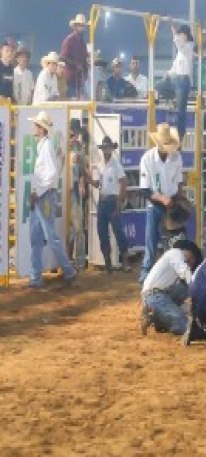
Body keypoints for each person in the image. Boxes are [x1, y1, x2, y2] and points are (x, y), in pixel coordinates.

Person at [27, 111, 76, 288]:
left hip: (44, 196)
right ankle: (36, 277)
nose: (34, 127)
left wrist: (37, 192)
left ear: (41, 128)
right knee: (38, 237)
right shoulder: (44, 146)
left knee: (47, 236)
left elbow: (51, 174)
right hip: (42, 195)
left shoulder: (46, 147)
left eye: (36, 125)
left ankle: (67, 271)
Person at [138, 123, 184, 283]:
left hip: (171, 205)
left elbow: (178, 184)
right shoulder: (147, 159)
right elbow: (145, 190)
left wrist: (179, 201)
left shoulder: (176, 158)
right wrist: (162, 198)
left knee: (171, 243)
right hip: (155, 205)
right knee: (151, 243)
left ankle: (169, 278)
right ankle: (145, 277)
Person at [140, 239, 202, 336]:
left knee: (184, 287)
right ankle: (157, 317)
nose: (192, 264)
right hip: (155, 296)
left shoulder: (172, 255)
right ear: (190, 253)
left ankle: (156, 317)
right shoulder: (176, 254)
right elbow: (186, 273)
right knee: (184, 323)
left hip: (159, 294)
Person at [89, 136, 130, 273]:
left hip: (112, 200)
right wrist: (90, 180)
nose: (106, 151)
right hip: (103, 200)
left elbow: (124, 183)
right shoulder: (101, 165)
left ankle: (123, 260)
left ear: (111, 149)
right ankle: (108, 263)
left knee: (118, 231)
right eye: (105, 148)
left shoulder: (116, 165)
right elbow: (99, 184)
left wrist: (119, 203)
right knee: (102, 232)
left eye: (108, 148)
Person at [163, 24, 194, 142]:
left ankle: (180, 136)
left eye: (181, 35)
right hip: (176, 80)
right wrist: (168, 73)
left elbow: (178, 42)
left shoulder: (188, 47)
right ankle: (171, 100)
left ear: (185, 36)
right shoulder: (180, 53)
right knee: (158, 87)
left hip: (183, 82)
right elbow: (174, 68)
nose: (178, 37)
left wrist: (172, 27)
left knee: (181, 112)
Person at [68, 121, 87, 270]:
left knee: (78, 228)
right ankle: (65, 260)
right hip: (63, 191)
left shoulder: (79, 150)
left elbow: (82, 172)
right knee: (67, 229)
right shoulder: (62, 148)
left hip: (74, 191)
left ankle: (79, 260)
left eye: (75, 134)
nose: (74, 137)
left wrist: (82, 185)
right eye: (72, 134)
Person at [61, 13, 88, 98]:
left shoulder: (83, 43)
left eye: (82, 25)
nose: (81, 27)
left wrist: (86, 69)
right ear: (75, 26)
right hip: (69, 79)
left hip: (79, 80)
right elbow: (63, 57)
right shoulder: (69, 40)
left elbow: (84, 59)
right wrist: (76, 65)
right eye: (80, 25)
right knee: (71, 103)